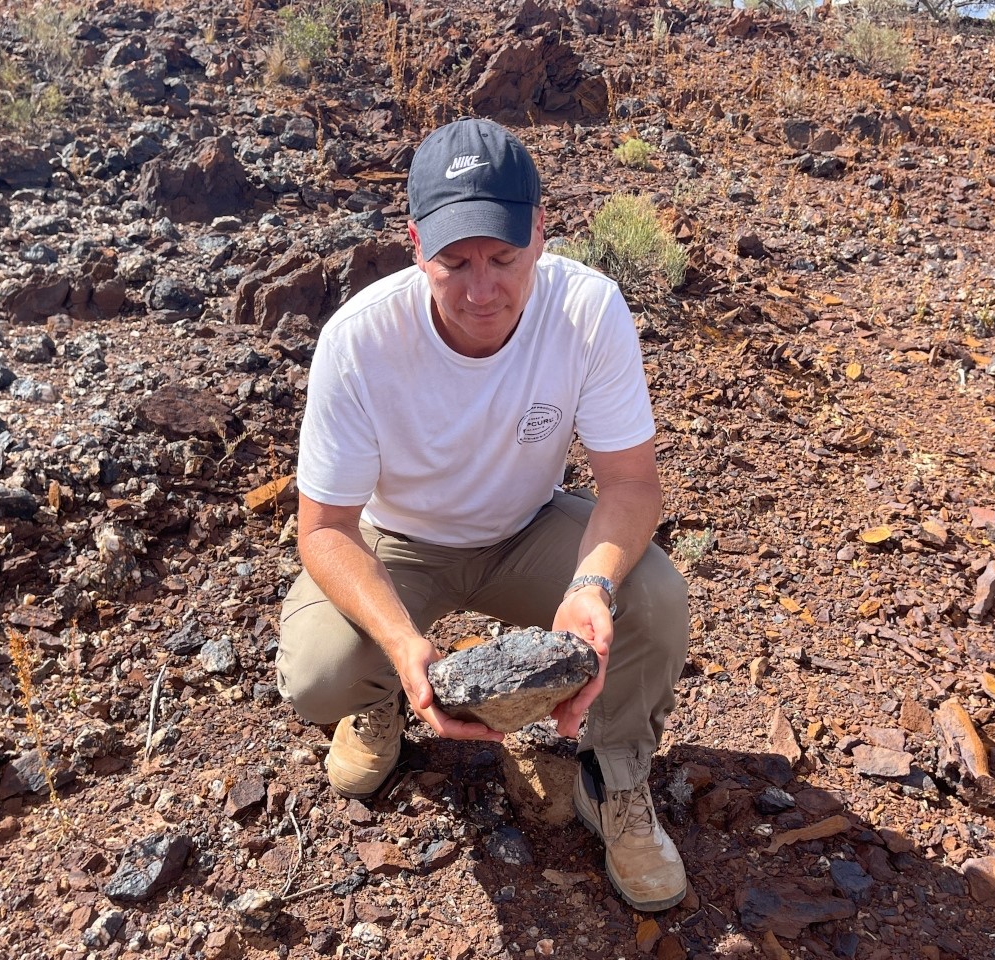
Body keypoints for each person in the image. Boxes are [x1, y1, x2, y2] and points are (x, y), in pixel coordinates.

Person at [276, 117, 690, 912]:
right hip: (400, 544)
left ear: (540, 232)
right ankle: (379, 706)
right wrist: (403, 647)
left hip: (528, 528)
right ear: (413, 242)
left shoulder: (588, 310)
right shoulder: (359, 341)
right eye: (453, 261)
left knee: (654, 601)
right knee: (320, 670)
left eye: (503, 258)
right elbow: (325, 529)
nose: (480, 290)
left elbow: (632, 486)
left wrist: (591, 589)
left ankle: (615, 781)